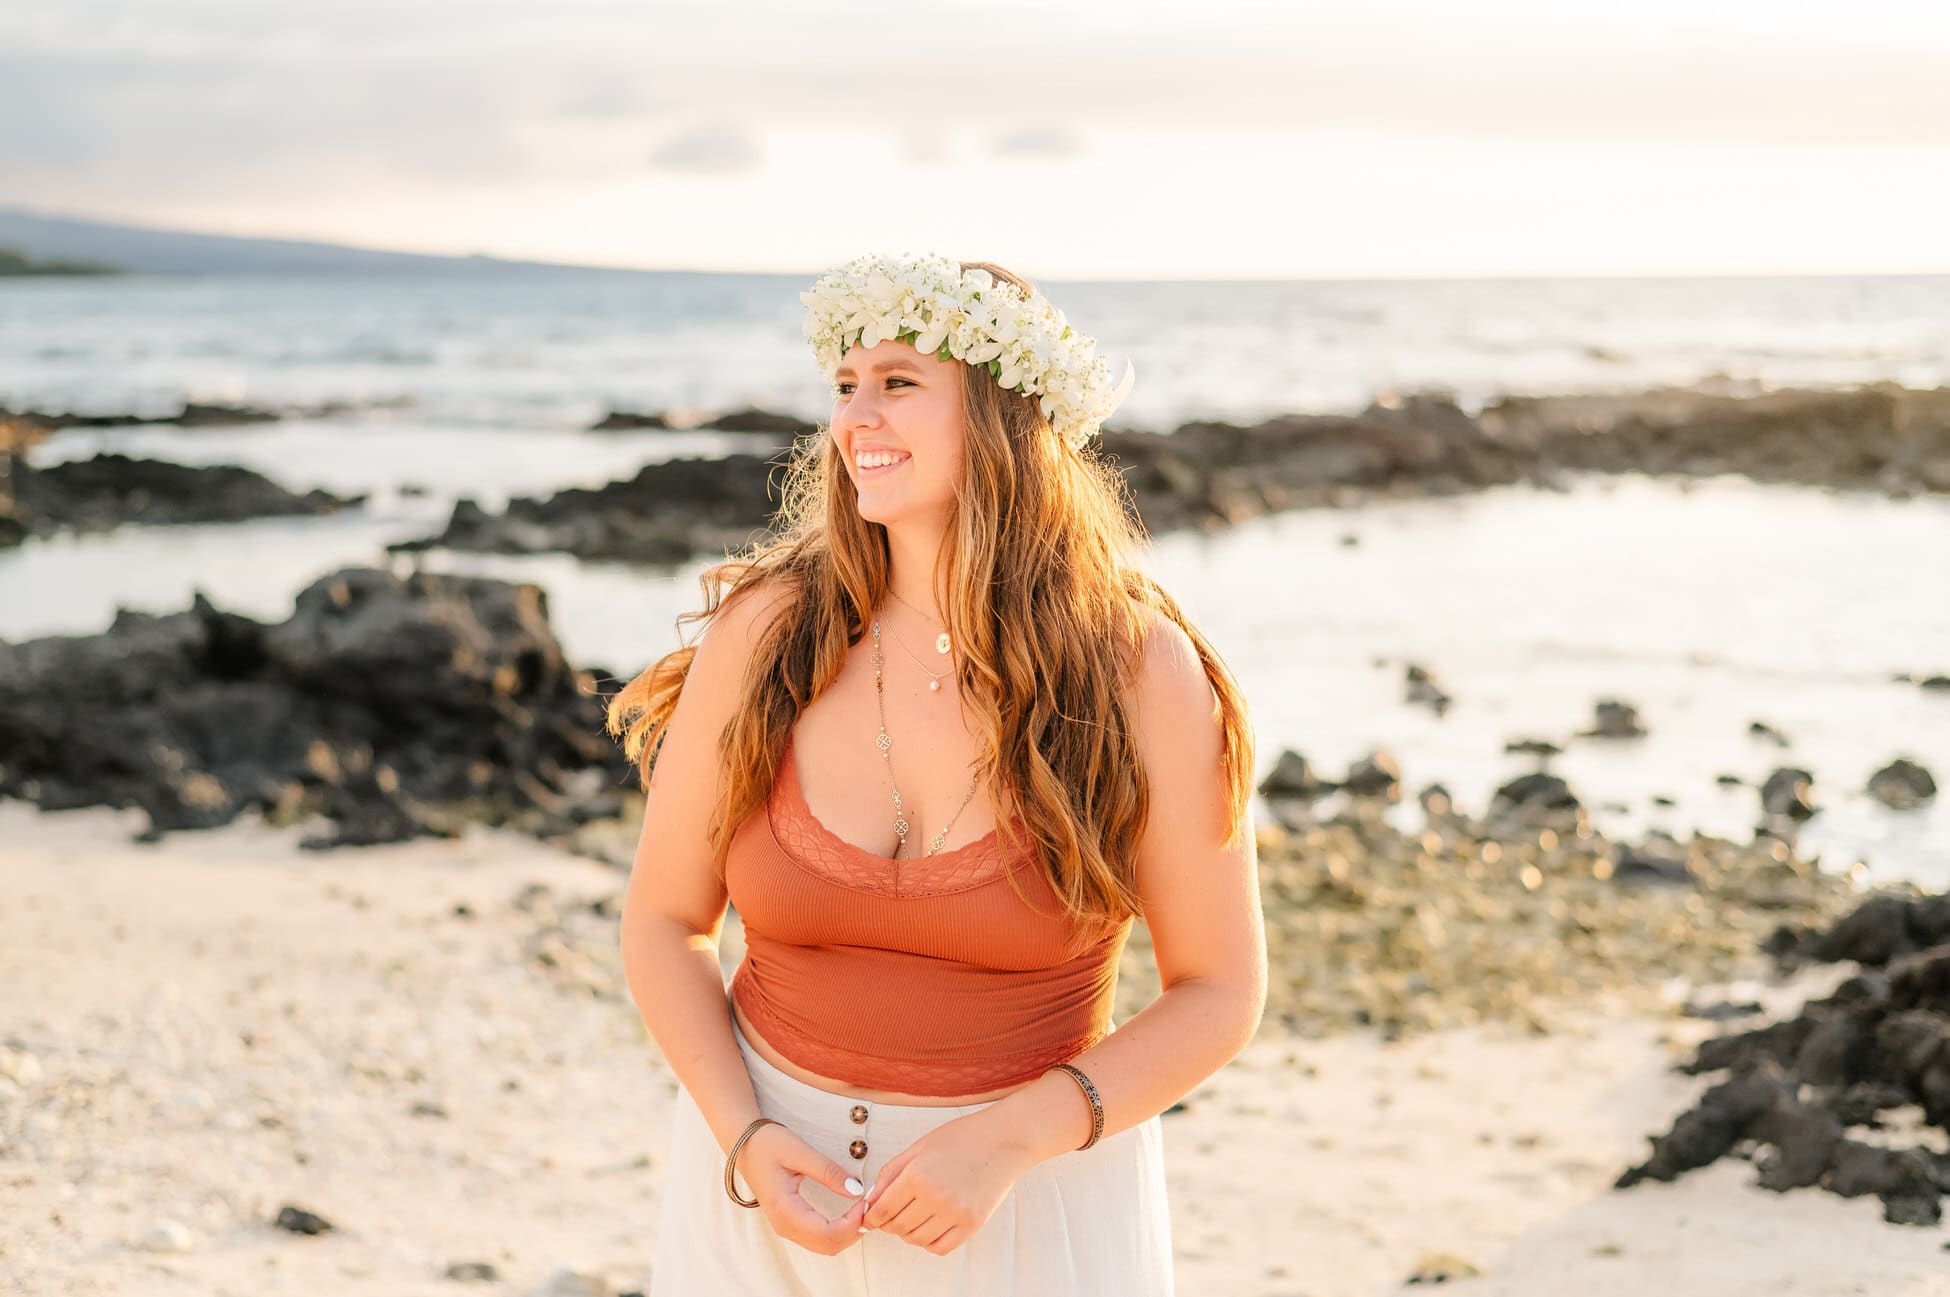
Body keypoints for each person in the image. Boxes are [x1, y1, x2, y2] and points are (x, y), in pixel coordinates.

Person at [608, 252, 1266, 1295]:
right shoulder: (770, 634)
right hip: (763, 1196)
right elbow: (662, 923)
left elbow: (1221, 990)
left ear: (1006, 415)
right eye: (844, 385)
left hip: (1022, 1209)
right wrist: (742, 1138)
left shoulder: (1136, 669)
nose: (854, 418)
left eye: (899, 382)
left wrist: (1007, 1139)